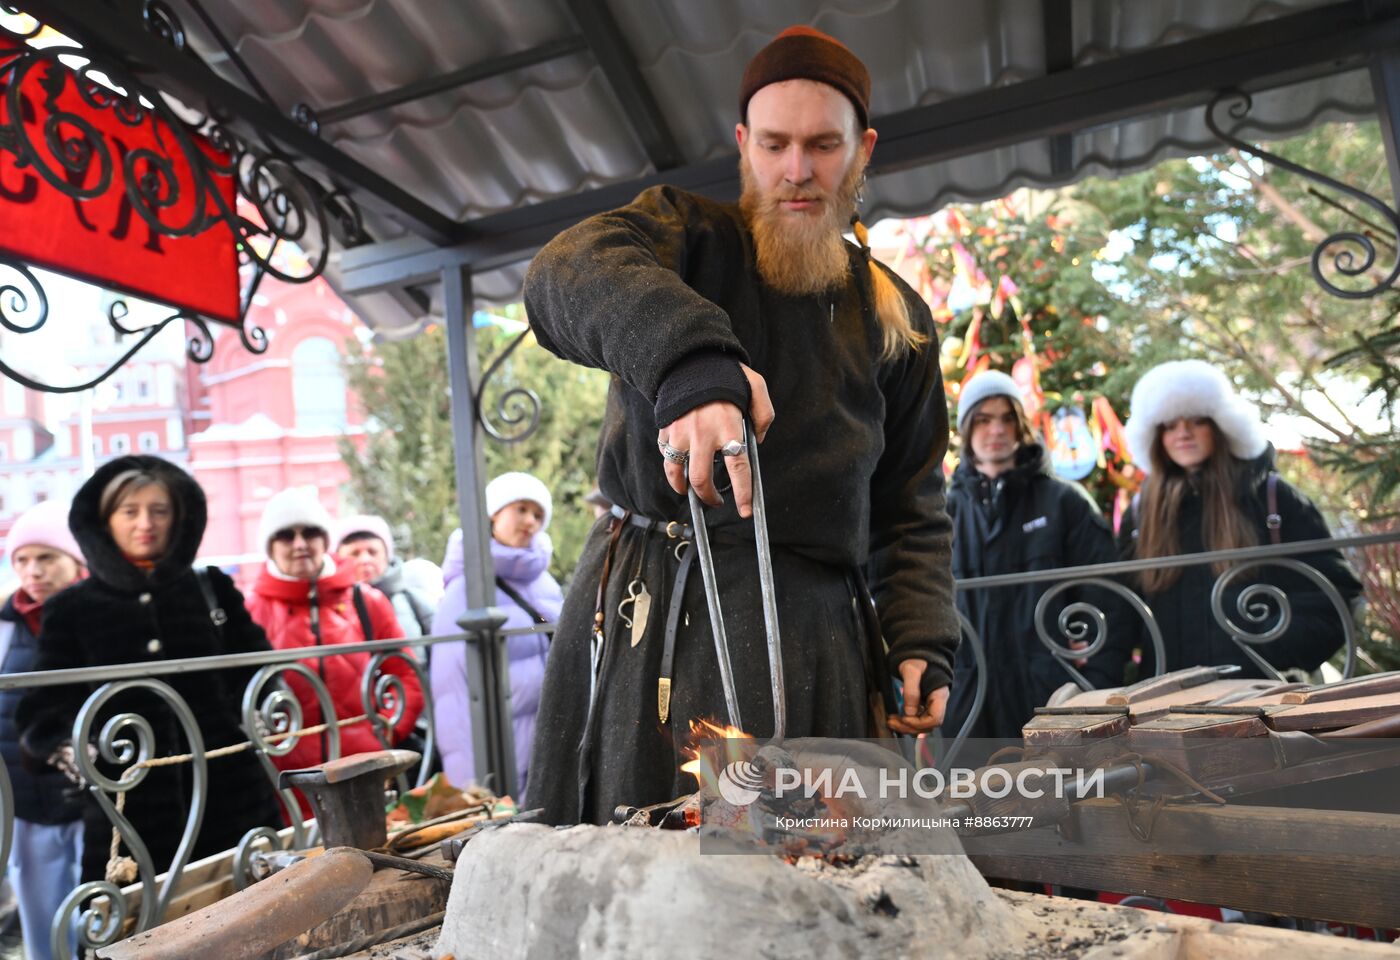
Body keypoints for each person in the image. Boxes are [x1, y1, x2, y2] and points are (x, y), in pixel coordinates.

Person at [521, 25, 959, 823]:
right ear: (742, 145)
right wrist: (690, 363)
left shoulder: (897, 317)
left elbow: (912, 507)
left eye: (824, 146)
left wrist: (922, 634)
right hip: (652, 617)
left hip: (812, 637)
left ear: (862, 150)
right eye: (776, 144)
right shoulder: (683, 238)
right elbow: (562, 273)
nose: (798, 170)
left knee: (806, 888)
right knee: (638, 889)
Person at [16, 457, 280, 884]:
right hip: (129, 817)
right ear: (105, 520)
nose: (146, 523)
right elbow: (41, 710)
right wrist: (77, 752)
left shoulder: (211, 587)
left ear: (180, 517)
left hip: (232, 799)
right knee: (134, 936)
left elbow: (260, 671)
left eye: (159, 510)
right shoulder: (71, 607)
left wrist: (261, 716)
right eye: (130, 511)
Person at [1120, 360, 1363, 677]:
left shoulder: (1272, 497)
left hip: (1263, 698)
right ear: (1156, 436)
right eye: (1169, 424)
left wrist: (1273, 655)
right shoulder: (1142, 512)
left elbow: (1335, 593)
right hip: (1167, 703)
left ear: (1221, 426)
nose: (1183, 433)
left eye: (1197, 420)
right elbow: (1120, 608)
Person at [941, 373, 1132, 740]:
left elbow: (1111, 598)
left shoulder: (1064, 503)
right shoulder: (941, 515)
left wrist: (1094, 686)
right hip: (967, 710)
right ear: (966, 428)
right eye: (983, 419)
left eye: (1007, 417)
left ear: (1021, 425)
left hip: (1054, 700)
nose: (996, 429)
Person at [245, 488, 424, 779]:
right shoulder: (251, 611)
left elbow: (407, 674)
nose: (300, 543)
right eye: (287, 535)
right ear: (270, 545)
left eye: (311, 533)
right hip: (289, 778)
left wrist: (388, 730)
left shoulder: (366, 601)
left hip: (366, 769)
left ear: (325, 540)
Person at [431, 472, 562, 797]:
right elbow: (453, 695)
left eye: (537, 514)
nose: (530, 521)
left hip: (553, 736)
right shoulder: (467, 589)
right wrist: (470, 781)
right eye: (520, 509)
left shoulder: (544, 582)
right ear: (494, 513)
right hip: (500, 751)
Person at [1, 501, 85, 960]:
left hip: (96, 796)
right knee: (42, 927)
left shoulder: (99, 620)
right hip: (28, 800)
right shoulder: (5, 626)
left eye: (47, 557)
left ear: (75, 561)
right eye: (22, 560)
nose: (34, 571)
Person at [334, 514, 436, 639]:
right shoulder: (327, 607)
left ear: (387, 556)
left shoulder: (413, 601)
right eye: (354, 553)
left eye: (372, 552)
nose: (365, 560)